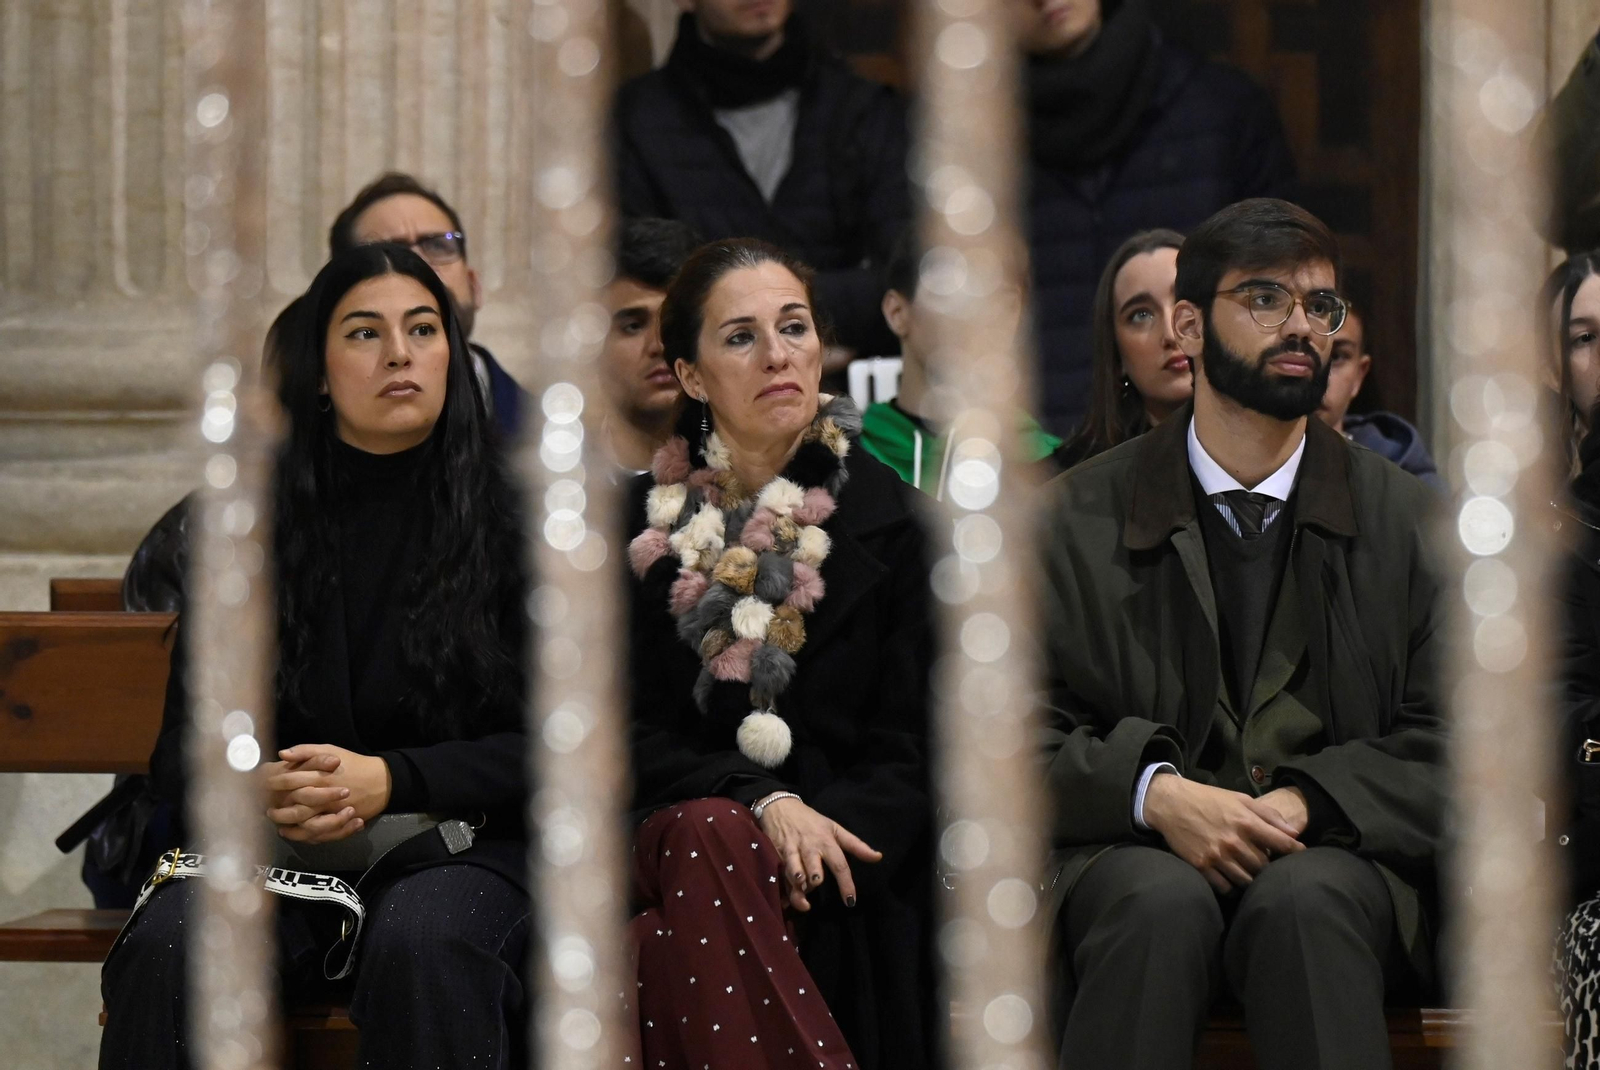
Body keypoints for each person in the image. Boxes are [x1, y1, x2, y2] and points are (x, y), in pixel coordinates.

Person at [99, 244, 531, 1070]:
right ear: (321, 374)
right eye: (365, 332)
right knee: (174, 946)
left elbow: (566, 748)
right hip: (281, 859)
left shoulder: (524, 520)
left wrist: (394, 780)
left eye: (423, 329)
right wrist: (257, 784)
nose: (400, 353)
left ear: (451, 353)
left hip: (470, 846)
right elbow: (180, 756)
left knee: (426, 941)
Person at [1038, 199, 1445, 1070]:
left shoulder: (1413, 524)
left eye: (1320, 305)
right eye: (1265, 299)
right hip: (1131, 851)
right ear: (1188, 326)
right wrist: (1153, 793)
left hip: (1338, 858)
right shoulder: (1069, 518)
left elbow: (1460, 744)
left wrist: (1308, 802)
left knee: (1306, 901)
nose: (1301, 326)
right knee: (1155, 903)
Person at [624, 238, 936, 1069]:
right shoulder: (632, 529)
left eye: (794, 327)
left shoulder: (904, 526)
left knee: (661, 946)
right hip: (673, 829)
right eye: (740, 337)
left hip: (846, 864)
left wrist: (807, 848)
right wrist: (761, 804)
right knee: (710, 832)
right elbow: (615, 734)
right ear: (691, 376)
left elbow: (916, 750)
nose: (777, 355)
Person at [1017, 0, 1296, 436]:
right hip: (1030, 451)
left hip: (1220, 443)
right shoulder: (965, 147)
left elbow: (1285, 298)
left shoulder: (1222, 111)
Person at [611, 0, 910, 359]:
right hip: (695, 387)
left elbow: (908, 280)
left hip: (865, 383)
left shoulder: (867, 110)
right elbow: (650, 294)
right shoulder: (635, 122)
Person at [860, 230, 1066, 493]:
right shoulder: (851, 463)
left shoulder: (1057, 467)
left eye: (1001, 301)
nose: (977, 317)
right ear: (897, 312)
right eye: (950, 293)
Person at [330, 171, 527, 437]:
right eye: (388, 253)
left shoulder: (552, 438)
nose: (420, 267)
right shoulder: (289, 445)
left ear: (474, 285)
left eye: (438, 246)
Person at [1059, 227, 1189, 466]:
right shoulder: (1068, 480)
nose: (1171, 334)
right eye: (1141, 315)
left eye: (1185, 300)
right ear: (1116, 356)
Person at [600, 217, 703, 473]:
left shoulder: (764, 480)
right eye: (633, 326)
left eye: (675, 322)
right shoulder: (560, 478)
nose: (660, 345)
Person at [1315, 303, 1444, 491]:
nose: (1317, 376)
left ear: (1359, 374)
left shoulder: (1408, 481)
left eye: (1336, 357)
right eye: (1302, 352)